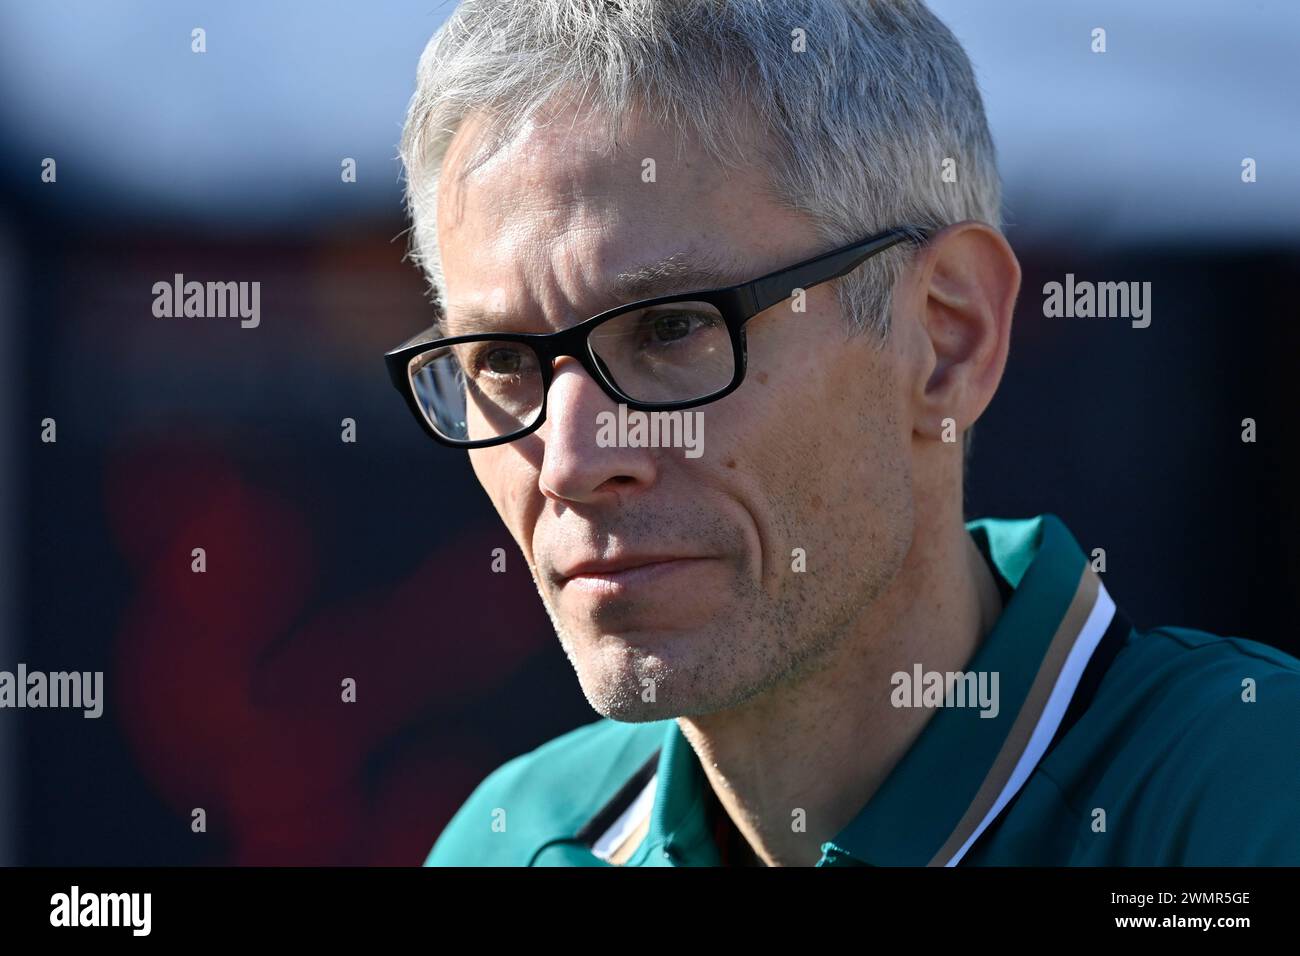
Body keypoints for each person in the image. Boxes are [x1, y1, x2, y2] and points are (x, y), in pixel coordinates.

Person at [384, 0, 1300, 866]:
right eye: (499, 360)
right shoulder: (512, 840)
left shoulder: (1255, 804)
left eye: (671, 328)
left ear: (947, 337)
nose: (572, 463)